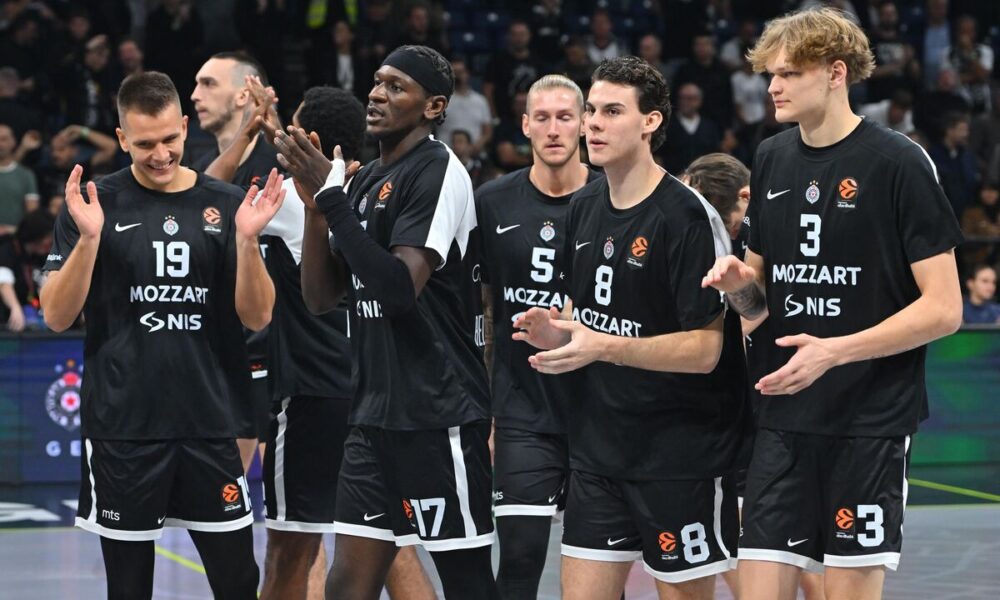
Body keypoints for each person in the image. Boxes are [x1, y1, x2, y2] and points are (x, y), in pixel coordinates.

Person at [702, 8, 964, 600]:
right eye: (770, 73)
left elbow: (945, 309)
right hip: (782, 415)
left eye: (789, 73)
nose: (773, 85)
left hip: (867, 421)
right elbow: (761, 304)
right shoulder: (770, 157)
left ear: (836, 73)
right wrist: (739, 284)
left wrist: (834, 353)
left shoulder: (898, 161)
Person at [39, 71, 283, 600]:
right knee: (129, 587)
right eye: (145, 143)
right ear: (122, 138)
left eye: (170, 139)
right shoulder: (93, 203)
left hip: (210, 423)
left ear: (184, 126)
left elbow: (259, 316)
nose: (161, 154)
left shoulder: (223, 203)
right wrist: (88, 239)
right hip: (125, 427)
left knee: (239, 579)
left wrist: (246, 241)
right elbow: (56, 315)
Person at [514, 56, 747, 600]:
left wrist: (604, 347)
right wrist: (557, 333)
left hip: (678, 457)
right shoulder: (585, 203)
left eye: (612, 111)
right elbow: (584, 318)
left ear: (651, 122)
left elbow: (706, 350)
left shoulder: (687, 216)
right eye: (591, 110)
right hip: (597, 451)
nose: (593, 123)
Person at [272, 45, 496, 598]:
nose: (376, 93)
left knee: (466, 582)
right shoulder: (364, 179)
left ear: (433, 106)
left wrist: (333, 196)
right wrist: (319, 208)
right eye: (376, 82)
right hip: (371, 415)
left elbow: (397, 289)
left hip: (437, 412)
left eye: (397, 87)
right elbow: (323, 296)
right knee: (348, 583)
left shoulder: (440, 171)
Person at [475, 74, 599, 599]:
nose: (553, 130)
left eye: (565, 117)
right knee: (521, 560)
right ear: (524, 125)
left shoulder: (615, 193)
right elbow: (481, 312)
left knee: (600, 569)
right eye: (542, 118)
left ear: (584, 124)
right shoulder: (492, 202)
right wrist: (486, 412)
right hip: (523, 410)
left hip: (602, 411)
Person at [190, 50, 283, 470]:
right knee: (220, 509)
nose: (194, 94)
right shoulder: (198, 172)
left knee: (303, 525)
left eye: (208, 83)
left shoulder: (284, 164)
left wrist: (275, 129)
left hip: (284, 363)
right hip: (227, 359)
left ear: (247, 94)